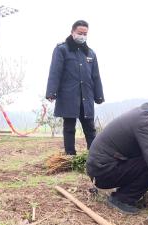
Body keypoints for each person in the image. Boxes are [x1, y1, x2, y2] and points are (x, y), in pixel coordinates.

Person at [46, 20, 104, 155]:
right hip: (69, 96)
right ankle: (70, 155)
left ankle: (94, 155)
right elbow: (55, 72)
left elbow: (95, 76)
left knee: (90, 127)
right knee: (69, 127)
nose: (82, 36)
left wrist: (99, 95)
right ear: (72, 32)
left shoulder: (90, 53)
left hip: (87, 96)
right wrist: (51, 92)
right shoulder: (61, 49)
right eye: (80, 33)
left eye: (85, 33)